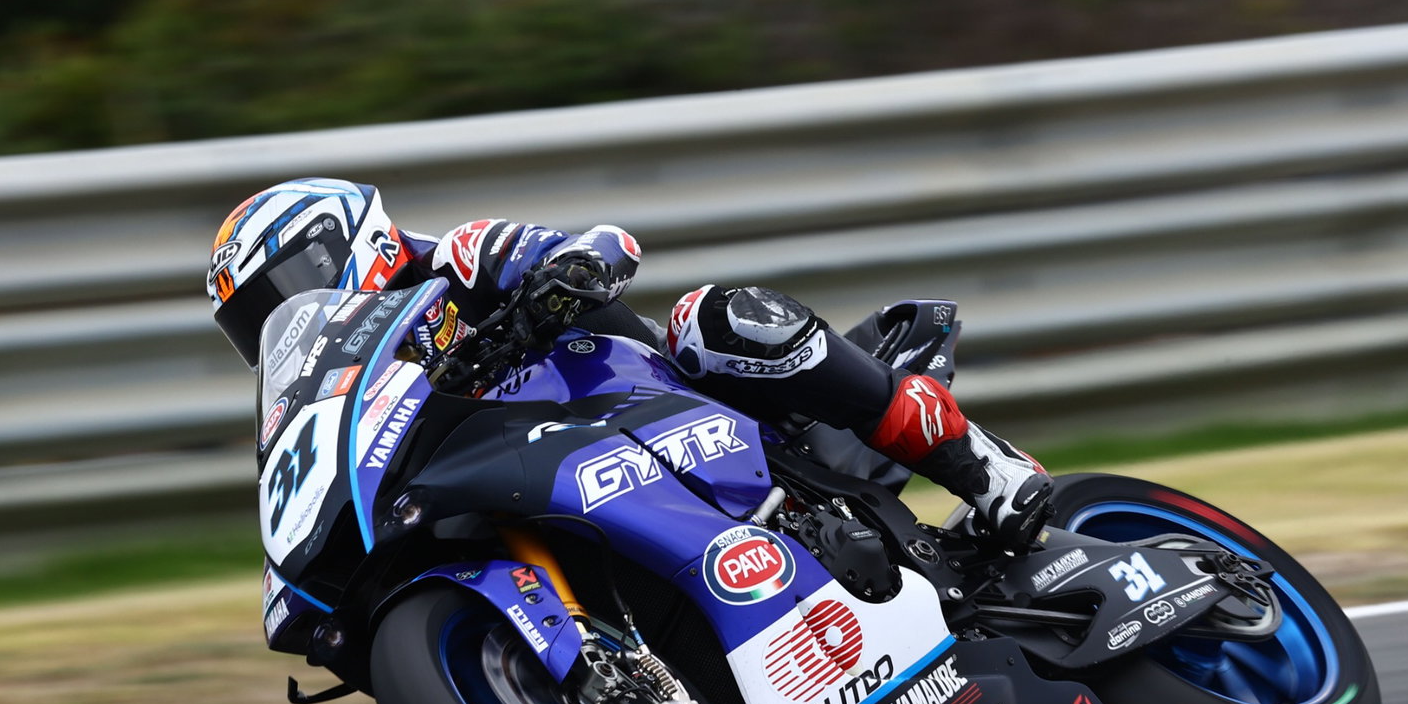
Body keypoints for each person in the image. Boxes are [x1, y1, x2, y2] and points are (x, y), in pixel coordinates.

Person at [209, 178, 1053, 549]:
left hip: (670, 401)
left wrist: (563, 281)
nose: (281, 315)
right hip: (549, 471)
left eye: (286, 285)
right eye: (255, 319)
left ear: (344, 236)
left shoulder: (455, 259)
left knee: (714, 316)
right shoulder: (365, 379)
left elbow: (600, 244)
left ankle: (984, 468)